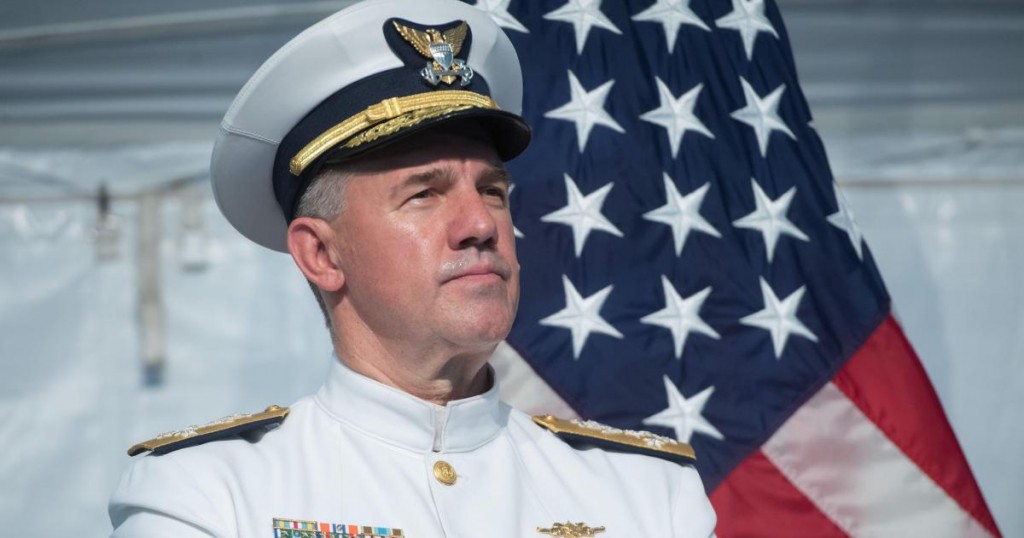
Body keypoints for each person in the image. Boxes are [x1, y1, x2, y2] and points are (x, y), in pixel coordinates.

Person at [108, 0, 717, 536]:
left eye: (494, 191)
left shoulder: (648, 494)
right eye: (424, 194)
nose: (480, 225)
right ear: (321, 254)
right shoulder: (207, 497)